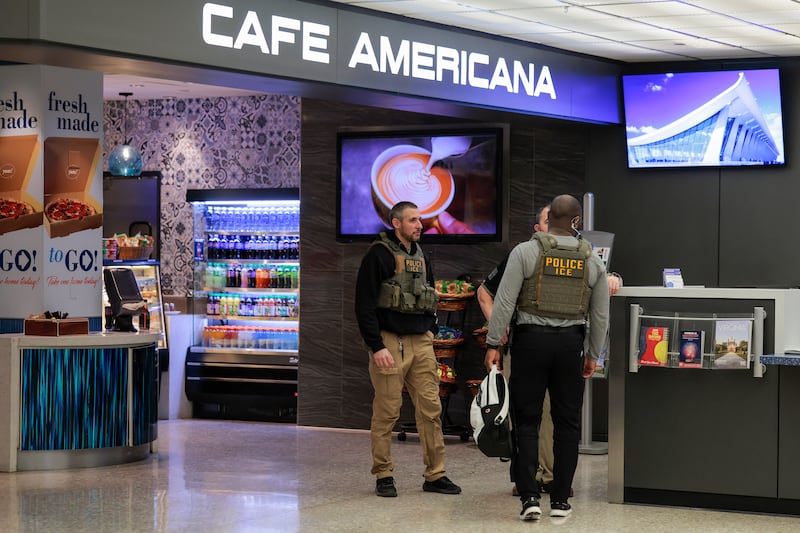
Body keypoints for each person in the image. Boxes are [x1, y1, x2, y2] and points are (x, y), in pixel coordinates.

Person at [477, 203, 621, 498]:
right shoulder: (586, 256)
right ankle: (556, 491)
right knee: (558, 422)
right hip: (566, 345)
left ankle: (533, 489)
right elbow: (600, 314)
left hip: (530, 344)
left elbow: (505, 302)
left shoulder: (526, 253)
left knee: (530, 420)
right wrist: (593, 354)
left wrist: (493, 342)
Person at [355, 201, 462, 498]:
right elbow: (363, 304)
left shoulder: (422, 255)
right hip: (389, 341)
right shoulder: (378, 254)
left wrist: (431, 330)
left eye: (420, 220)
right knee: (387, 410)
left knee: (431, 409)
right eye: (413, 220)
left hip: (421, 342)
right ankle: (384, 474)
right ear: (396, 223)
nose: (420, 225)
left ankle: (436, 474)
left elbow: (431, 296)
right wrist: (376, 345)